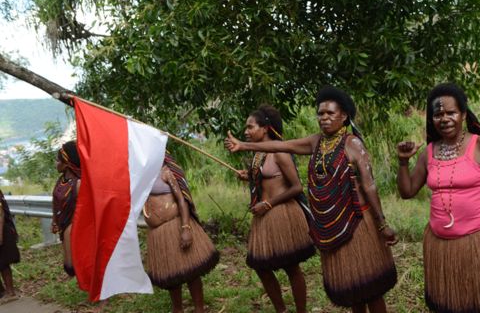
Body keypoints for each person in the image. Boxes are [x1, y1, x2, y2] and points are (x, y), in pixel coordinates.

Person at [226, 87, 397, 313]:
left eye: (330, 113)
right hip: (331, 225)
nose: (324, 118)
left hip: (358, 223)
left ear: (344, 116)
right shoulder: (316, 142)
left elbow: (369, 185)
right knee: (353, 289)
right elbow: (281, 145)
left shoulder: (352, 144)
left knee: (371, 288)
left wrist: (382, 223)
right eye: (320, 114)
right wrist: (244, 145)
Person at [396, 83, 480, 312]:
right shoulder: (429, 152)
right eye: (438, 114)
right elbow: (407, 192)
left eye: (451, 113)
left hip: (478, 242)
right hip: (441, 246)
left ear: (463, 115)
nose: (444, 119)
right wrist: (403, 162)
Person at [234, 104, 315, 313]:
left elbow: (297, 186)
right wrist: (249, 176)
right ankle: (281, 310)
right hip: (263, 216)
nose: (246, 132)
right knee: (261, 267)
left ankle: (301, 311)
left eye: (250, 127)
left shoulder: (280, 151)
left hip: (282, 213)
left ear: (265, 128)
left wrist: (269, 203)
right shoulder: (258, 154)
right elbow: (265, 178)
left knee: (290, 266)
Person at [143, 153, 219, 313]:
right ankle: (177, 309)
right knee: (171, 274)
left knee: (191, 271)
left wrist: (185, 227)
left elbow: (182, 200)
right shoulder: (140, 174)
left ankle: (199, 309)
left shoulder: (166, 172)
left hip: (175, 226)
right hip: (158, 234)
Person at [52, 140, 81, 277]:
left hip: (76, 226)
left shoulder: (79, 183)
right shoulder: (62, 180)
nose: (55, 163)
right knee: (72, 263)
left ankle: (102, 298)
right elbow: (57, 202)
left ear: (67, 163)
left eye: (58, 160)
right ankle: (91, 295)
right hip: (64, 226)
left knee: (82, 261)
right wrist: (54, 220)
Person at [0, 189, 19, 303]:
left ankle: (10, 293)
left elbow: (0, 215)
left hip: (2, 230)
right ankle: (3, 292)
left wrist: (0, 235)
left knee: (3, 262)